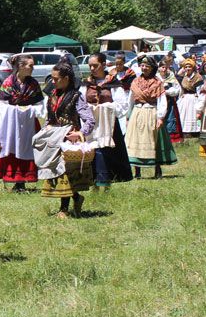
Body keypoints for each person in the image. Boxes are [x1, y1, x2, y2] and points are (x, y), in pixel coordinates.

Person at [38, 63, 94, 218]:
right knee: (56, 173)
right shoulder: (52, 94)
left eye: (56, 79)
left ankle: (64, 209)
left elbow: (89, 120)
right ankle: (76, 198)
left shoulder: (76, 96)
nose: (53, 82)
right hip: (54, 138)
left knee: (65, 173)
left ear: (66, 79)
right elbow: (50, 118)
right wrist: (46, 129)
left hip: (68, 140)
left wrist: (80, 133)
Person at [80, 53, 133, 188]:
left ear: (104, 65)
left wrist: (105, 107)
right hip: (92, 125)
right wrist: (89, 110)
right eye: (90, 66)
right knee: (93, 151)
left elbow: (122, 106)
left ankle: (107, 183)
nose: (92, 68)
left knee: (107, 152)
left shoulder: (113, 83)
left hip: (109, 126)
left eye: (95, 65)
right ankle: (93, 182)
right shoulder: (86, 84)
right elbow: (80, 104)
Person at [0, 55, 43, 191]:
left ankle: (23, 181)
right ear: (21, 66)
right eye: (30, 65)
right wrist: (13, 110)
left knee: (29, 148)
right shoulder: (8, 83)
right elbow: (1, 103)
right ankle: (13, 179)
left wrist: (30, 109)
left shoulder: (33, 84)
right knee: (12, 147)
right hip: (12, 124)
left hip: (29, 123)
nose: (33, 68)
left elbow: (39, 103)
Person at [123, 57, 177, 178]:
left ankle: (157, 170)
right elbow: (130, 99)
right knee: (135, 139)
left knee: (154, 141)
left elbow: (161, 100)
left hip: (151, 112)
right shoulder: (135, 82)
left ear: (152, 68)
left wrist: (160, 117)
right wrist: (128, 116)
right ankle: (137, 171)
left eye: (147, 66)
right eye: (142, 65)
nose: (144, 68)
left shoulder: (157, 82)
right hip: (137, 112)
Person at [157, 59, 184, 145]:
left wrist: (167, 92)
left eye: (166, 67)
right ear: (159, 68)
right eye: (162, 67)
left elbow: (177, 89)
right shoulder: (156, 77)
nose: (164, 69)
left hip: (169, 101)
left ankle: (171, 138)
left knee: (170, 118)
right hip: (158, 101)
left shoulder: (171, 76)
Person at [177, 59, 203, 138]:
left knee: (195, 115)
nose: (188, 68)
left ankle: (197, 130)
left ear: (193, 67)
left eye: (189, 67)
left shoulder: (198, 77)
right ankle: (185, 131)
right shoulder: (183, 77)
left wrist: (199, 99)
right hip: (185, 98)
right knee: (184, 115)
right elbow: (179, 87)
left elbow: (199, 90)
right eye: (186, 67)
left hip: (194, 98)